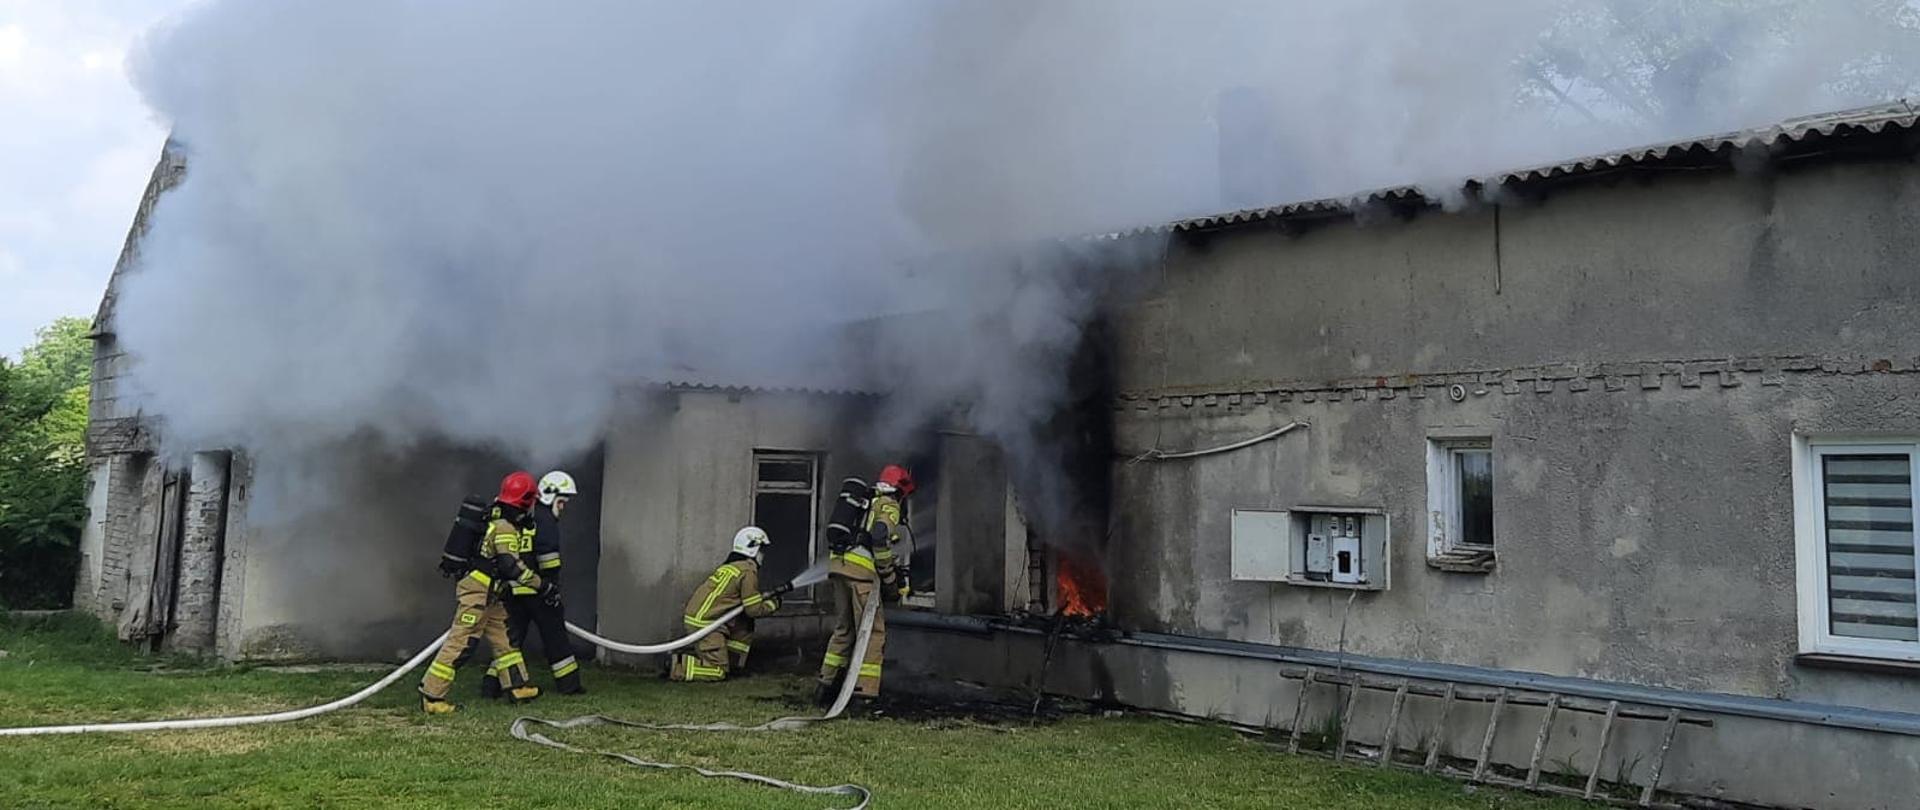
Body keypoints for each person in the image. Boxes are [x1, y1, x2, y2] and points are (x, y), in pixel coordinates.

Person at [418, 471, 558, 714]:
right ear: (524, 502)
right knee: (462, 642)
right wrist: (543, 586)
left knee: (506, 637)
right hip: (477, 593)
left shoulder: (496, 517)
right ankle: (432, 695)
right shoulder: (504, 527)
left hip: (490, 593)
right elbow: (512, 568)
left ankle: (517, 686)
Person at [479, 470, 586, 697]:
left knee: (509, 640)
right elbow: (548, 557)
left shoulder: (523, 516)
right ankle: (569, 686)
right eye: (562, 501)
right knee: (555, 638)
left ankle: (491, 685)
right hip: (538, 590)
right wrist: (551, 586)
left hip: (515, 589)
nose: (563, 507)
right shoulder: (545, 519)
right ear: (551, 496)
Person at [815, 464, 912, 706]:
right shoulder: (888, 505)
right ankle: (864, 693)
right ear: (899, 491)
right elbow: (879, 538)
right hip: (861, 574)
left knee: (844, 630)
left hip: (839, 567)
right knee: (872, 633)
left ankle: (825, 686)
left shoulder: (865, 500)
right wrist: (889, 578)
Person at [671, 526, 788, 682]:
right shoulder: (748, 571)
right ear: (752, 548)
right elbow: (753, 609)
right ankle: (678, 666)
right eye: (761, 550)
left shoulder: (732, 567)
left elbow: (745, 605)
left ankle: (733, 665)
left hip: (702, 619)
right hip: (707, 625)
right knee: (717, 672)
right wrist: (774, 604)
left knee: (745, 623)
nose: (763, 555)